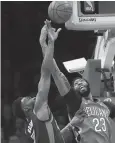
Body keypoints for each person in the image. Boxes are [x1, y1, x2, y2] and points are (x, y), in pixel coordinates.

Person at [40, 20, 115, 143]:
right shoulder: (76, 103)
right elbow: (56, 73)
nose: (79, 83)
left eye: (81, 81)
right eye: (75, 84)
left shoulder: (107, 106)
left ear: (89, 84)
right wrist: (48, 44)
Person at [12, 20, 64, 143]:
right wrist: (47, 43)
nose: (31, 97)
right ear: (25, 109)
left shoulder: (28, 129)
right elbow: (45, 73)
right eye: (27, 99)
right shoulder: (38, 109)